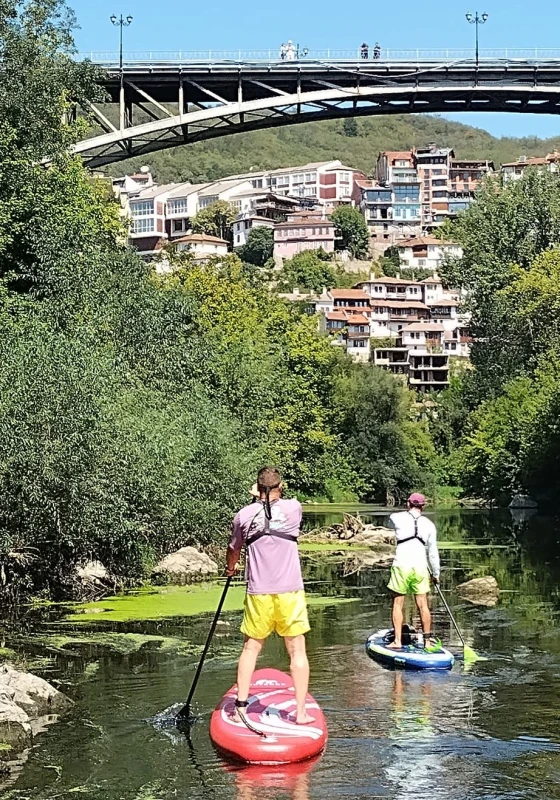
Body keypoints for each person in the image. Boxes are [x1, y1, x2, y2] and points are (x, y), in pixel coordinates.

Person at [226, 466, 314, 725]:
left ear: (256, 488)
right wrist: (262, 496)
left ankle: (240, 708)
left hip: (259, 594)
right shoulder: (294, 508)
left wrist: (231, 568)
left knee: (251, 648)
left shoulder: (243, 515)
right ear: (281, 486)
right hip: (290, 593)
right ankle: (299, 713)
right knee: (297, 650)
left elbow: (233, 549)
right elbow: (275, 508)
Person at [386, 492, 440, 649]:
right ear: (423, 507)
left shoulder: (396, 517)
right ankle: (428, 642)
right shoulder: (429, 525)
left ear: (408, 504)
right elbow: (433, 553)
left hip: (401, 565)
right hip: (420, 567)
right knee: (423, 605)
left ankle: (397, 641)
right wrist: (436, 574)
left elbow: (389, 525)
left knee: (397, 604)